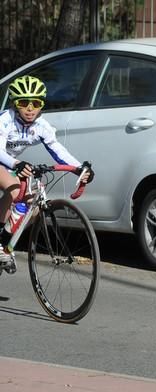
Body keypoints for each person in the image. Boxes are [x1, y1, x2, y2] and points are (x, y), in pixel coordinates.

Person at [0, 75, 94, 265]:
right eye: (24, 102)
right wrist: (16, 164)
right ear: (14, 103)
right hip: (3, 158)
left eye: (35, 103)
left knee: (31, 206)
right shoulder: (6, 120)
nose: (30, 108)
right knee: (15, 187)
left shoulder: (41, 125)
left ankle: (4, 244)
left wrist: (78, 168)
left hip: (10, 161)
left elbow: (57, 149)